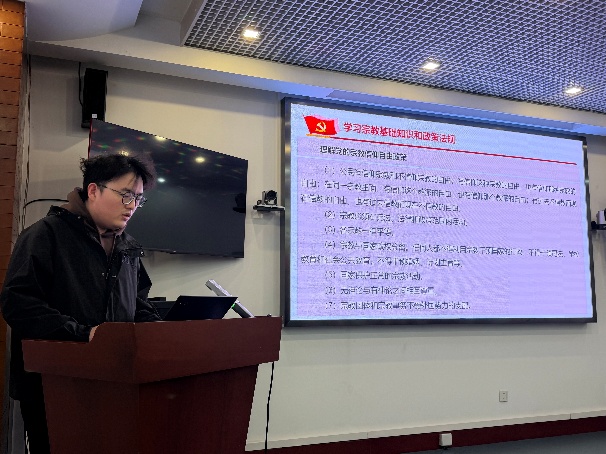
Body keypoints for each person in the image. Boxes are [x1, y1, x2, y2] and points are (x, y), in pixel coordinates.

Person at [0, 154, 162, 453]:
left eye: (138, 199)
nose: (132, 206)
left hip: (113, 379)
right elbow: (19, 303)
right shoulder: (45, 234)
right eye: (125, 194)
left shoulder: (127, 246)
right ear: (93, 190)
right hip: (54, 385)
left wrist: (158, 331)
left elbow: (138, 303)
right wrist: (83, 334)